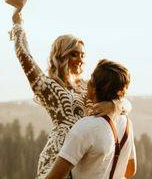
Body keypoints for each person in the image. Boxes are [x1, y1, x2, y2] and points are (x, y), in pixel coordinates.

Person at [10, 9, 132, 178]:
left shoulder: (87, 85)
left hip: (85, 155)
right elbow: (24, 55)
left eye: (82, 55)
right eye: (74, 54)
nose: (80, 60)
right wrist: (18, 25)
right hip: (58, 156)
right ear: (60, 55)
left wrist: (113, 105)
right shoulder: (47, 86)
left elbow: (125, 101)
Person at [46, 59, 137, 179]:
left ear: (94, 88)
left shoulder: (85, 127)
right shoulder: (127, 124)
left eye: (91, 79)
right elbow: (131, 169)